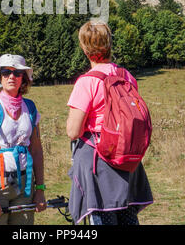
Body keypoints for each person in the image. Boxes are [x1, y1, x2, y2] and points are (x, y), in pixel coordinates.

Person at [66, 21, 153, 225]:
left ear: (84, 49)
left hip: (99, 160)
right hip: (127, 159)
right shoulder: (127, 77)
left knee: (103, 217)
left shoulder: (88, 81)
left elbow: (73, 131)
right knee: (128, 216)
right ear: (110, 45)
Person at [0, 53, 46, 225]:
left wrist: (40, 189)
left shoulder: (30, 108)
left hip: (24, 186)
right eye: (6, 72)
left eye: (17, 73)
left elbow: (36, 150)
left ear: (24, 79)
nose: (11, 76)